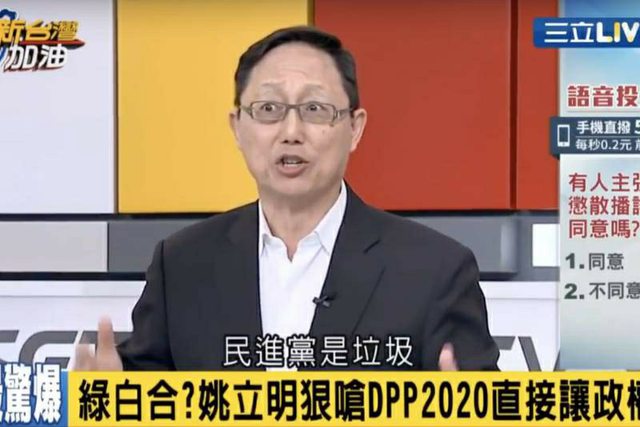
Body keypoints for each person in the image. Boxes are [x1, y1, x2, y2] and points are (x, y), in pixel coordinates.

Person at [74, 26, 498, 371]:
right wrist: (106, 400)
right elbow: (145, 398)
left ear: (355, 128)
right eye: (269, 109)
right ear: (237, 127)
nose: (291, 132)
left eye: (315, 109)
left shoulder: (434, 270)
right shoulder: (182, 264)